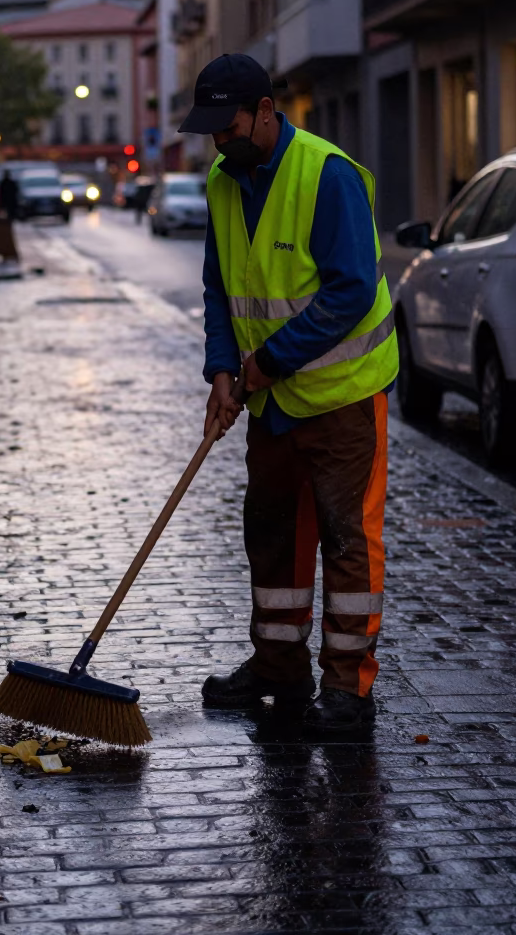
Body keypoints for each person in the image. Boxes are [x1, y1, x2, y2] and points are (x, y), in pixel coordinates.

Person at [179, 53, 398, 733]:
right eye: (212, 128)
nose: (221, 139)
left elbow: (351, 291)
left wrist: (266, 363)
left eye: (231, 124)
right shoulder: (223, 179)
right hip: (269, 404)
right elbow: (221, 286)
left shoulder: (326, 175)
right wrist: (221, 369)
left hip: (341, 395)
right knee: (271, 533)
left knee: (345, 538)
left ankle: (347, 688)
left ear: (267, 112)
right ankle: (279, 671)